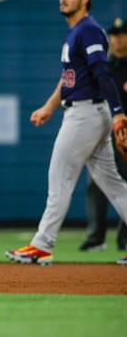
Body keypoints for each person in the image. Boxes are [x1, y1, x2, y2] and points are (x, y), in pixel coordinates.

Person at [6, 0, 127, 266]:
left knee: (60, 177)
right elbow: (69, 80)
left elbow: (103, 73)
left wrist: (119, 113)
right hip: (84, 110)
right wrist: (49, 107)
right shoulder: (76, 32)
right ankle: (41, 245)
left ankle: (42, 245)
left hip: (86, 114)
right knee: (114, 184)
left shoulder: (89, 31)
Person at [79, 17, 127, 252]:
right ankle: (96, 237)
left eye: (122, 35)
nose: (117, 40)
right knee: (96, 183)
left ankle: (124, 237)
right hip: (105, 132)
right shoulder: (103, 66)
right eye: (114, 35)